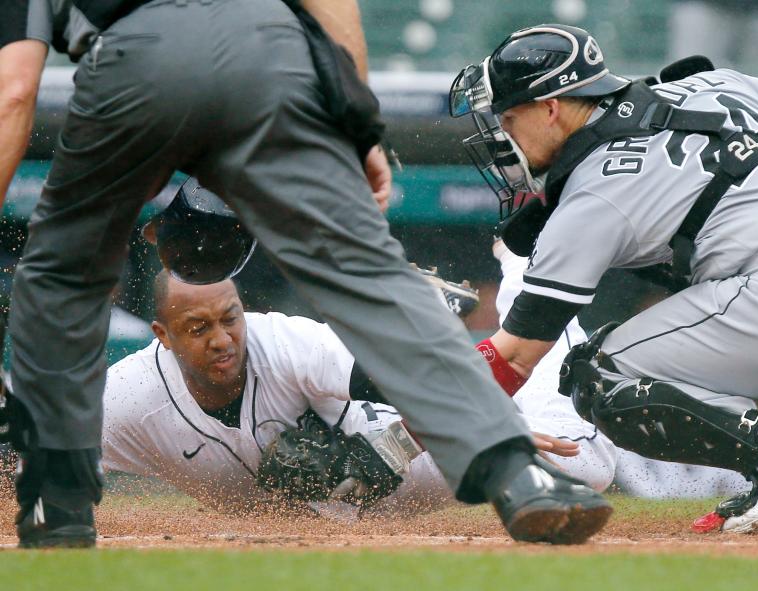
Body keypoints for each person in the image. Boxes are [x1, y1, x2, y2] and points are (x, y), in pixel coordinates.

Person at [0, 2, 611, 548]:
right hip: (273, 61)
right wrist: (358, 126)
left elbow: (15, 92)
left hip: (133, 66)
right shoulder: (140, 389)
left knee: (60, 278)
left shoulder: (276, 344)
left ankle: (62, 504)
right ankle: (513, 472)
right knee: (367, 279)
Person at [449, 23, 758, 534]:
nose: (504, 134)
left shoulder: (590, 195)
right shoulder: (716, 85)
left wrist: (415, 406)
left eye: (510, 118)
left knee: (595, 372)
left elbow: (516, 356)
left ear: (552, 107)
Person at [98, 260, 619, 518]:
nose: (221, 339)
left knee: (584, 468)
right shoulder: (125, 397)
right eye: (197, 328)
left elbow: (418, 385)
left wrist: (496, 430)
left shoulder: (283, 341)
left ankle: (530, 277)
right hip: (319, 522)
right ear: (162, 336)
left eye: (230, 318)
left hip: (395, 458)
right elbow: (27, 455)